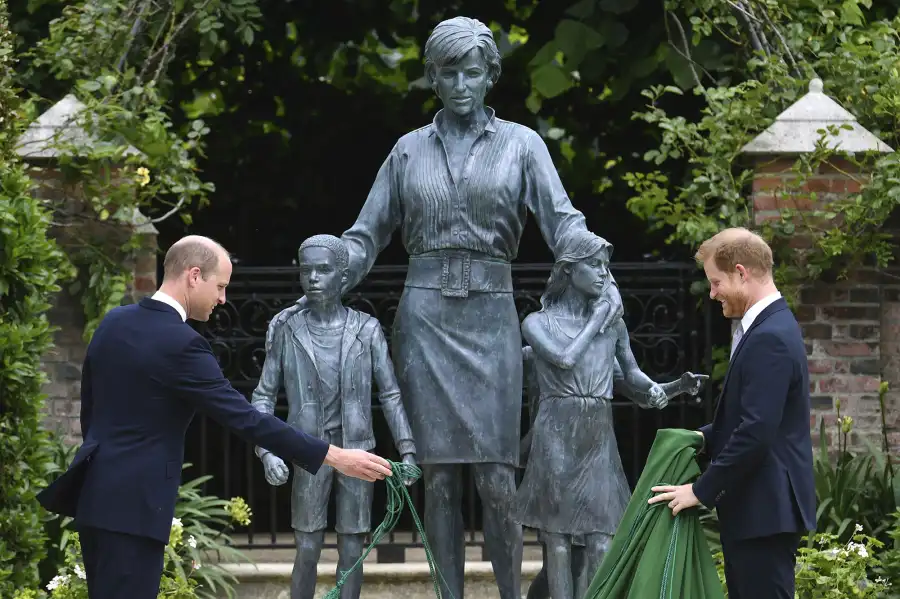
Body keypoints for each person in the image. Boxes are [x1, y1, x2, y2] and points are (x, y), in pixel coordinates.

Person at [265, 16, 624, 599]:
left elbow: (564, 222)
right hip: (426, 320)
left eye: (472, 72)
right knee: (438, 482)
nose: (461, 84)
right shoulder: (407, 151)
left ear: (490, 76)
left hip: (492, 319)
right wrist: (328, 277)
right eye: (449, 73)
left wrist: (599, 271)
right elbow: (366, 234)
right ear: (433, 77)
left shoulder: (522, 145)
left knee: (498, 479)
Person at [36, 235, 394, 599]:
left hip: (95, 500)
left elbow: (91, 411)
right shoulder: (183, 344)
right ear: (194, 276)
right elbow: (245, 418)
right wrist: (334, 455)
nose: (223, 299)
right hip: (137, 509)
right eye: (220, 286)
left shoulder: (113, 322)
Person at [511, 231, 687, 599]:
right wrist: (600, 316)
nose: (603, 273)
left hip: (596, 432)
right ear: (568, 270)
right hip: (557, 429)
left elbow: (630, 375)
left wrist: (663, 388)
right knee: (556, 539)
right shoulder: (537, 323)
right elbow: (563, 359)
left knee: (602, 536)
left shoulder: (614, 327)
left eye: (606, 266)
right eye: (593, 264)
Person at [648, 227, 816, 599]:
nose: (712, 293)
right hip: (760, 510)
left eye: (716, 281)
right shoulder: (769, 327)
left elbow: (756, 431)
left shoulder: (769, 335)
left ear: (741, 273)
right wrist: (700, 438)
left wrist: (699, 490)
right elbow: (749, 418)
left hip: (764, 512)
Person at [251, 234, 417, 599]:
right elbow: (263, 397)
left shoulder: (368, 329)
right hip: (307, 452)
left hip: (357, 452)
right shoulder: (287, 331)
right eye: (306, 270)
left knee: (352, 551)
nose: (312, 278)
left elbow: (389, 393)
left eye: (323, 270)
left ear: (343, 277)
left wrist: (407, 450)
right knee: (307, 549)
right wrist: (267, 452)